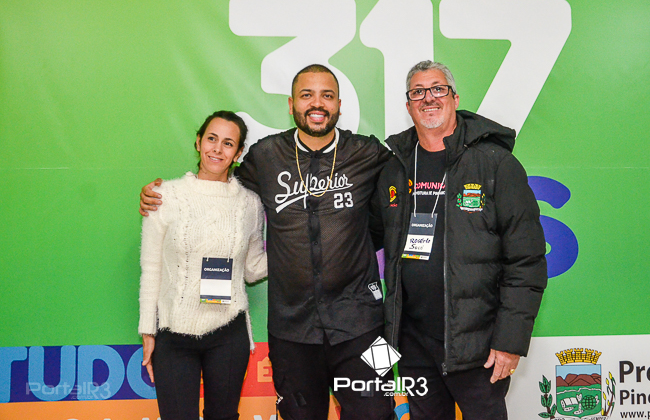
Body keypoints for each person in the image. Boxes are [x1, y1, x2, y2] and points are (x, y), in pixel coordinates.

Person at [140, 65, 395, 420]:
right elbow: (220, 188)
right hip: (291, 331)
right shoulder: (266, 155)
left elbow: (409, 185)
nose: (317, 104)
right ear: (291, 105)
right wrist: (161, 195)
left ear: (339, 104)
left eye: (327, 95)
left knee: (380, 412)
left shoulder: (368, 152)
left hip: (365, 326)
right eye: (306, 95)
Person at [376, 61, 548, 420]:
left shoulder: (496, 164)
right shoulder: (395, 168)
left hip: (478, 344)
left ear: (455, 98)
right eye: (418, 92)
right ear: (408, 106)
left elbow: (526, 261)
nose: (428, 98)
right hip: (414, 344)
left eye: (438, 89)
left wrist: (509, 341)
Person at [139, 110, 267, 420]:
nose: (217, 149)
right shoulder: (164, 196)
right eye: (211, 139)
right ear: (198, 142)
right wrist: (148, 330)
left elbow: (253, 269)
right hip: (173, 333)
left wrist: (294, 251)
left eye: (228, 143)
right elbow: (151, 268)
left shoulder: (250, 204)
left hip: (229, 332)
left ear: (238, 153)